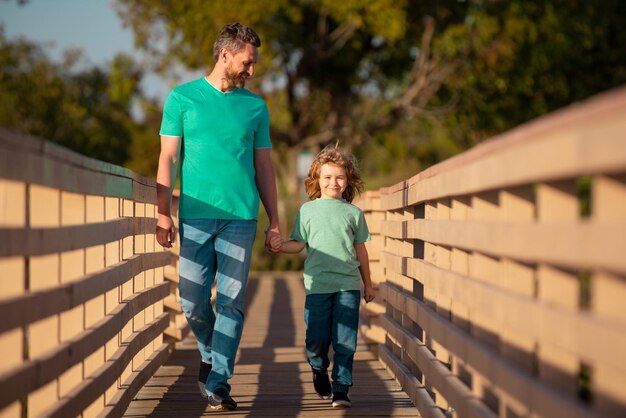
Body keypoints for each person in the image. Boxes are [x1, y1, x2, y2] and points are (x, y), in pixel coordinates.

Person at [155, 22, 280, 411]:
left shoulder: (255, 107)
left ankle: (219, 381)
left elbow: (264, 167)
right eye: (247, 61)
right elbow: (169, 157)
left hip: (241, 218)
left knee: (230, 301)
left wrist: (274, 220)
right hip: (194, 216)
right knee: (192, 300)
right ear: (225, 55)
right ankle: (209, 354)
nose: (251, 70)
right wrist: (163, 213)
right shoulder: (182, 98)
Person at [270, 144, 376, 408]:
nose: (334, 182)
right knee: (317, 338)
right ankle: (318, 367)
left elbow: (360, 250)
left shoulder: (353, 213)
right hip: (317, 285)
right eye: (327, 177)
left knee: (345, 340)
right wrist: (281, 245)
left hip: (348, 285)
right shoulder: (308, 211)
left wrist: (368, 284)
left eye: (340, 177)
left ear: (347, 179)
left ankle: (341, 388)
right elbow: (298, 243)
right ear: (317, 179)